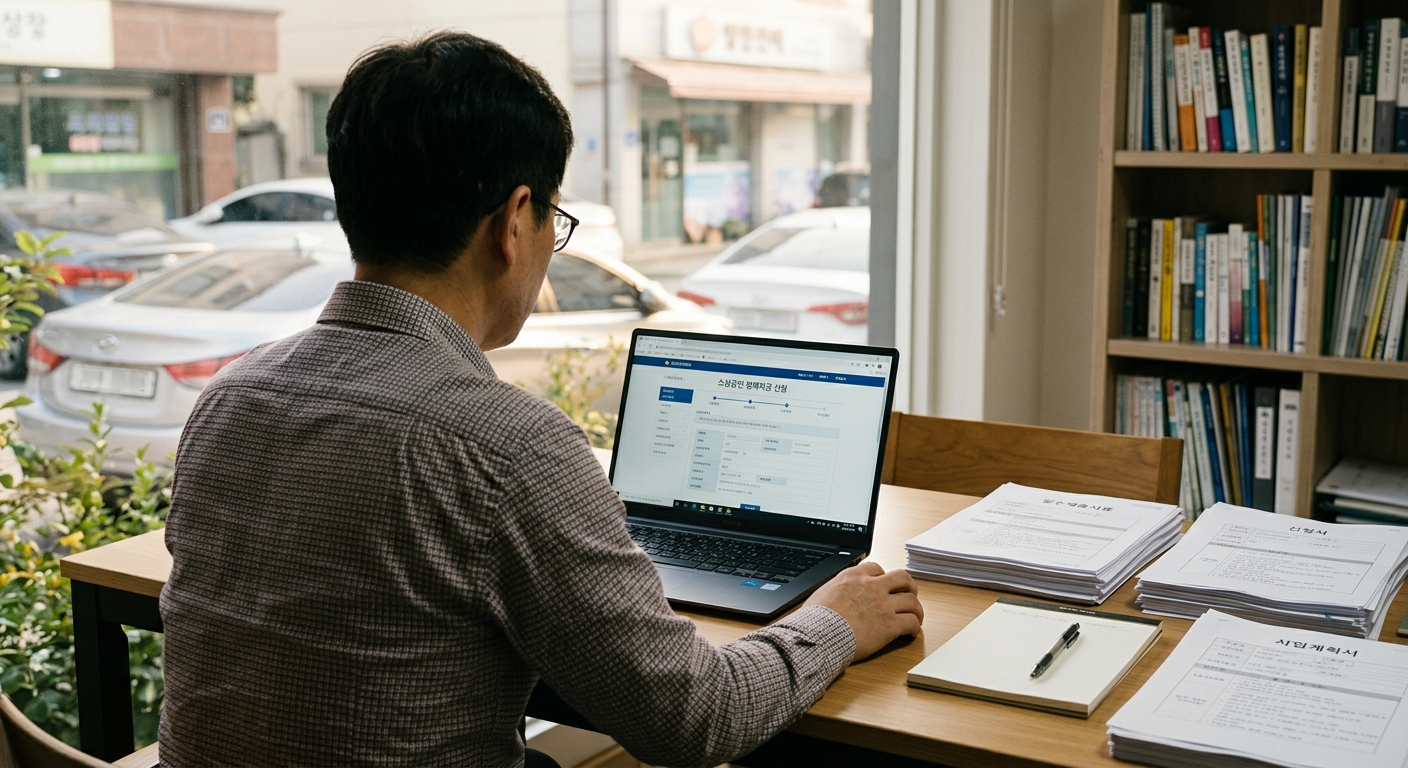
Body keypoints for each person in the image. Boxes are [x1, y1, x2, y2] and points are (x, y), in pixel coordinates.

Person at [158, 31, 923, 767]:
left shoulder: (231, 396)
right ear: (511, 223)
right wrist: (836, 623)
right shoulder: (507, 445)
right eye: (553, 220)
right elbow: (692, 721)